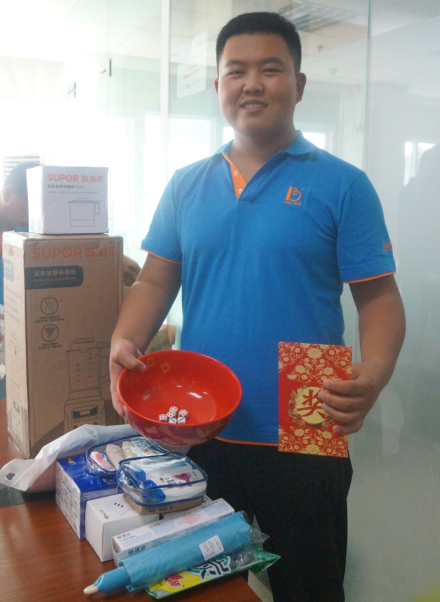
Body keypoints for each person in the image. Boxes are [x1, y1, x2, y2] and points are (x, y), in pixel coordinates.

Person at [109, 12, 405, 602]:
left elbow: (379, 298)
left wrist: (372, 375)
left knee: (309, 585)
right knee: (200, 585)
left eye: (271, 69)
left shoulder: (343, 184)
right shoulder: (186, 184)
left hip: (306, 415)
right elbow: (155, 281)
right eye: (236, 71)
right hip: (199, 419)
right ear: (218, 85)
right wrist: (124, 340)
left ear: (298, 84)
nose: (252, 84)